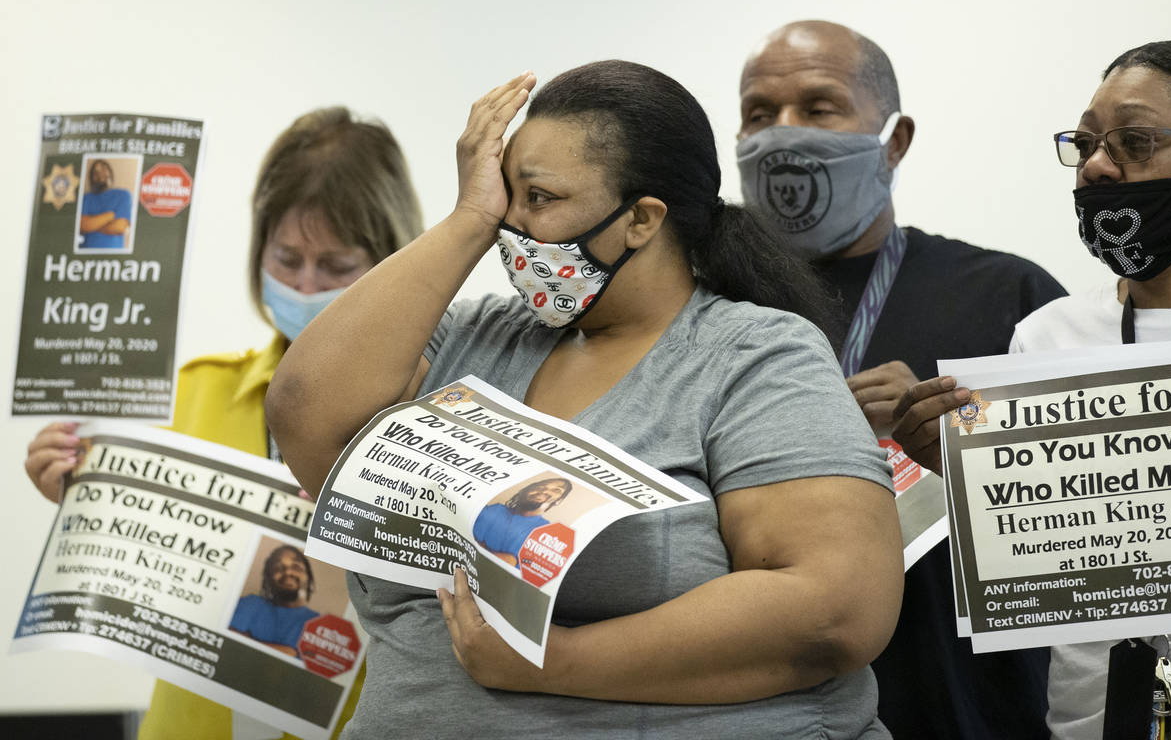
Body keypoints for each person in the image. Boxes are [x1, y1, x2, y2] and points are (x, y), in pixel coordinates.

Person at [265, 61, 904, 738]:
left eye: (538, 198)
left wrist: (554, 663)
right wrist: (468, 219)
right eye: (507, 194)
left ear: (641, 220)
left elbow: (836, 609)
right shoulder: (469, 332)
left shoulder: (755, 355)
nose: (512, 221)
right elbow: (307, 418)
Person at [24, 106, 424, 739]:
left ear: (395, 260)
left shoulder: (435, 413)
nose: (306, 283)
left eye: (337, 266)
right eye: (287, 258)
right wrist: (80, 494)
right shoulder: (193, 392)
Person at [736, 20, 1066, 740]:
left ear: (894, 139)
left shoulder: (1009, 296)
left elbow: (1084, 517)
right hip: (768, 707)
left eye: (819, 108)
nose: (782, 134)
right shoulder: (706, 313)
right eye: (759, 114)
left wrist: (955, 443)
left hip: (972, 706)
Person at [894, 40, 1171, 739]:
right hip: (1090, 717)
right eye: (1087, 142)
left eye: (1134, 141)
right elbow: (1044, 562)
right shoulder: (1048, 335)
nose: (1097, 165)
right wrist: (967, 473)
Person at [231, 545, 320, 656]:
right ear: (269, 577)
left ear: (308, 576)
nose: (288, 572)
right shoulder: (250, 604)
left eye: (296, 567)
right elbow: (229, 639)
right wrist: (289, 651)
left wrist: (249, 639)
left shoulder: (319, 624)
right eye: (278, 568)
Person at [473, 478, 572, 567]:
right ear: (527, 490)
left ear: (559, 500)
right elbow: (471, 541)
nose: (544, 490)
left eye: (556, 490)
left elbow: (512, 563)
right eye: (540, 487)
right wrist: (509, 559)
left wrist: (484, 548)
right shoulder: (496, 510)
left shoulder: (548, 533)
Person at [78, 159, 132, 249]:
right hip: (86, 254)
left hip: (112, 257)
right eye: (95, 172)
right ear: (92, 178)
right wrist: (111, 215)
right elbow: (82, 226)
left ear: (110, 172)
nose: (99, 173)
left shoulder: (123, 195)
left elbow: (120, 227)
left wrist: (92, 223)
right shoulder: (86, 198)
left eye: (103, 168)